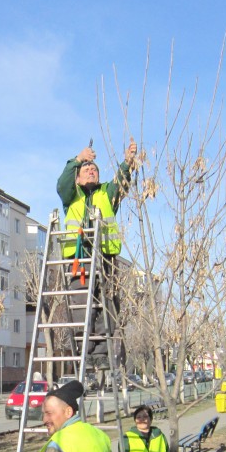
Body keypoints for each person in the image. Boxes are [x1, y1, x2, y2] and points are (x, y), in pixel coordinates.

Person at [56, 140, 137, 363]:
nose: (91, 171)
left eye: (94, 169)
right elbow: (62, 183)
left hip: (105, 259)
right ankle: (85, 354)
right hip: (80, 260)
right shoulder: (71, 195)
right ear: (78, 177)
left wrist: (128, 162)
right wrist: (78, 159)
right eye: (86, 169)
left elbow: (121, 182)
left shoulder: (106, 193)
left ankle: (101, 356)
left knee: (107, 306)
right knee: (83, 306)